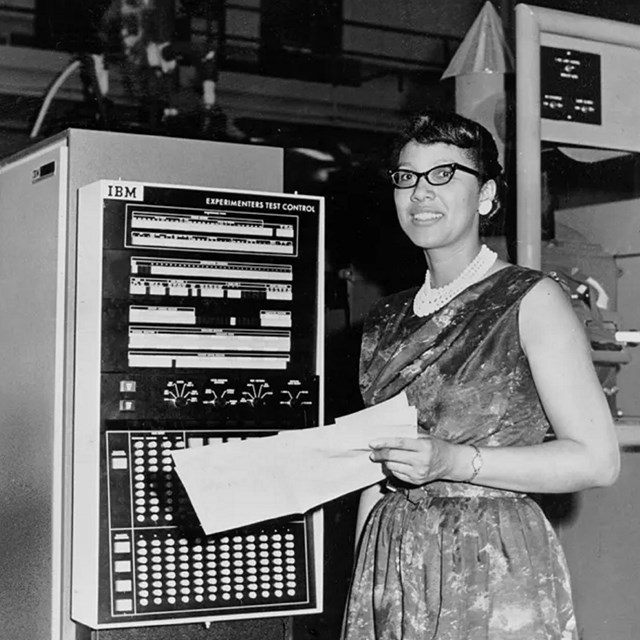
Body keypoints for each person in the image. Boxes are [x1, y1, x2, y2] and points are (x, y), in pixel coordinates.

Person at [341, 110, 620, 640]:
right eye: (407, 177)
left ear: (487, 195)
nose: (421, 192)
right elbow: (375, 480)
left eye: (444, 174)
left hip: (492, 562)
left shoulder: (531, 300)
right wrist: (365, 594)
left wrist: (455, 462)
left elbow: (597, 460)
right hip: (395, 560)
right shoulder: (384, 320)